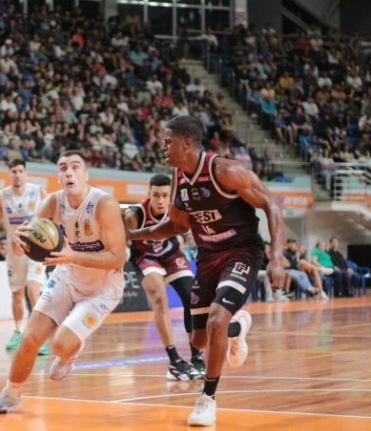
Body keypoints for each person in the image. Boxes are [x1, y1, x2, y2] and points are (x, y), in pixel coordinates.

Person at [127, 116, 286, 427]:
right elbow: (175, 226)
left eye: (167, 140)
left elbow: (271, 203)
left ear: (187, 143)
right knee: (199, 340)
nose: (161, 145)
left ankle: (207, 399)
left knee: (216, 320)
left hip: (241, 252)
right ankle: (237, 329)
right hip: (208, 256)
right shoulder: (179, 177)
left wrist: (276, 256)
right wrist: (130, 235)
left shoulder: (225, 171)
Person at [0, 150, 127, 415]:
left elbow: (117, 258)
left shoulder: (104, 204)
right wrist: (18, 243)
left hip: (102, 290)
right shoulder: (52, 202)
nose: (68, 172)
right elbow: (26, 245)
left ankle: (70, 351)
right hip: (66, 277)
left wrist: (74, 256)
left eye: (74, 167)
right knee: (30, 338)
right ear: (58, 176)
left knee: (59, 344)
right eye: (62, 168)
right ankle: (10, 395)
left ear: (85, 174)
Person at [124, 173, 204, 381]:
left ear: (171, 196)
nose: (160, 200)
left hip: (171, 255)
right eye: (156, 195)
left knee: (192, 299)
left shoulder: (178, 209)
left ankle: (197, 357)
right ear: (149, 194)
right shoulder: (135, 214)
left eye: (164, 196)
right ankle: (175, 361)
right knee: (160, 297)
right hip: (145, 257)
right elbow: (122, 241)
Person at [0, 159, 49, 355]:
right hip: (13, 250)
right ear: (9, 174)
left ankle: (38, 335)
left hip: (36, 249)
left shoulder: (38, 192)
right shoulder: (1, 195)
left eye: (20, 171)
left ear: (25, 173)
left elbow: (53, 218)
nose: (17, 175)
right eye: (13, 171)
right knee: (17, 294)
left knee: (33, 289)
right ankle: (18, 332)